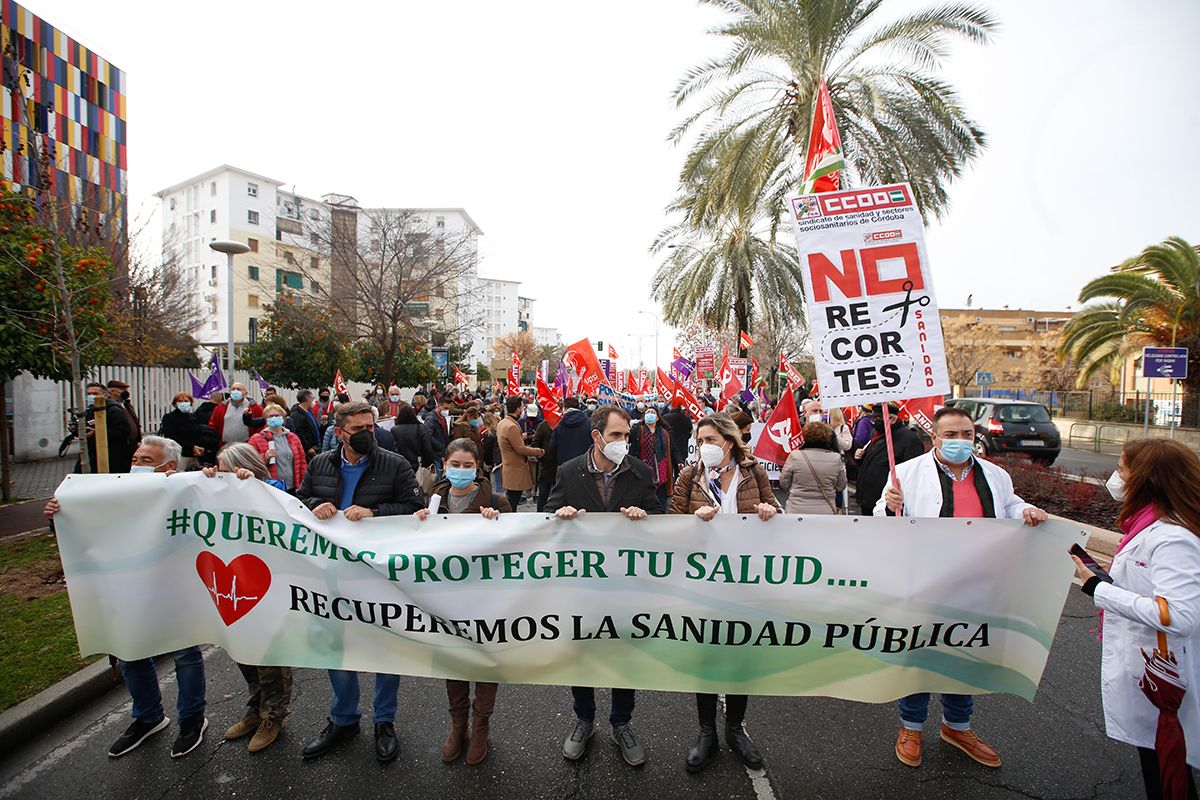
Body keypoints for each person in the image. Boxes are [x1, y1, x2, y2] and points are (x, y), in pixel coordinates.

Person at [877, 405, 1048, 770]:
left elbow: (1011, 504)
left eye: (966, 434)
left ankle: (957, 726)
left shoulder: (995, 475)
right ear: (934, 438)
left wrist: (1025, 511)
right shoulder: (905, 473)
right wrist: (889, 505)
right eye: (950, 435)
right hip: (926, 582)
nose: (959, 441)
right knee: (920, 654)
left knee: (964, 653)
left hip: (978, 582)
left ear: (975, 436)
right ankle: (911, 727)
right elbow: (880, 522)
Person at [45, 436, 208, 759]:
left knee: (185, 654)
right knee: (131, 652)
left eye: (147, 460)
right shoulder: (113, 493)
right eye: (136, 457)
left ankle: (191, 719)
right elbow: (85, 527)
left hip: (174, 588)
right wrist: (57, 516)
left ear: (170, 466)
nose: (137, 464)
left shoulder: (189, 492)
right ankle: (147, 717)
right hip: (127, 587)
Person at [1070, 438, 1200, 800]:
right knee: (1160, 759)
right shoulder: (1147, 524)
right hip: (1153, 669)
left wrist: (1098, 588)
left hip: (1165, 674)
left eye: (1123, 468)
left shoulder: (1174, 537)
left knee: (1168, 769)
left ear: (1146, 477)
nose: (1117, 476)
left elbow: (1177, 614)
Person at [296, 401, 425, 763]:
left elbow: (414, 508)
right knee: (336, 647)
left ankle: (384, 720)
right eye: (359, 430)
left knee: (386, 648)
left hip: (379, 576)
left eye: (371, 427)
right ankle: (344, 718)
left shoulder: (394, 463)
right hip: (331, 573)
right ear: (339, 433)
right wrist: (316, 502)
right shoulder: (322, 464)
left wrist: (375, 513)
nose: (368, 434)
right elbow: (299, 502)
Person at [545, 405, 660, 767]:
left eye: (627, 435)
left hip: (627, 587)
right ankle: (583, 718)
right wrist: (559, 516)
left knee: (624, 655)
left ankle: (622, 722)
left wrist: (645, 518)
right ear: (597, 437)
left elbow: (660, 519)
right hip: (582, 588)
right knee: (582, 652)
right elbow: (548, 515)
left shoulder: (640, 473)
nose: (623, 442)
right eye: (616, 436)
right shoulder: (569, 471)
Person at [669, 413, 780, 772]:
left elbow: (778, 515)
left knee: (739, 656)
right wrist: (691, 519)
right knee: (705, 656)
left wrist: (769, 511)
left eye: (712, 440)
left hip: (745, 582)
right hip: (702, 583)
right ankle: (706, 733)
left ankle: (735, 729)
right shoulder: (690, 475)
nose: (705, 447)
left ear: (729, 442)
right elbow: (669, 524)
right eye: (700, 441)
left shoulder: (754, 473)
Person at [414, 438, 511, 766]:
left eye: (468, 465)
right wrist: (416, 523)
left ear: (478, 467)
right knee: (453, 659)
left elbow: (516, 546)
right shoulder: (434, 498)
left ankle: (481, 724)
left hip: (485, 598)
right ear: (444, 464)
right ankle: (458, 725)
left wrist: (498, 520)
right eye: (454, 465)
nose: (460, 471)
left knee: (484, 659)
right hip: (446, 597)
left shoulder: (495, 500)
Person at [201, 443, 293, 752]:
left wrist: (254, 487)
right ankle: (255, 710)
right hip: (233, 587)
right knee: (243, 653)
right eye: (219, 468)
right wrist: (205, 481)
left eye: (227, 469)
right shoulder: (215, 492)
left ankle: (274, 716)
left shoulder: (273, 489)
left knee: (270, 657)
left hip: (269, 586)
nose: (222, 475)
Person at [855, 403, 923, 517]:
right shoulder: (877, 434)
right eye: (874, 419)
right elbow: (873, 461)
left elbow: (914, 472)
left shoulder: (909, 439)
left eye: (879, 418)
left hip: (888, 502)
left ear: (893, 419)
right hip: (868, 499)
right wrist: (861, 457)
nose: (876, 422)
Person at [779, 421, 847, 514]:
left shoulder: (795, 456)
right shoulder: (836, 458)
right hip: (825, 509)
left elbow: (784, 483)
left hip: (797, 508)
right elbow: (841, 485)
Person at [497, 395, 544, 510]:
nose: (523, 410)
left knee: (512, 501)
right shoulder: (511, 426)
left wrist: (519, 438)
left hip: (509, 468)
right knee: (512, 503)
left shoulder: (503, 423)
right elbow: (521, 449)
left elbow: (511, 443)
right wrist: (539, 451)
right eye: (522, 407)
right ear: (518, 409)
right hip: (515, 470)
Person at [249, 403, 308, 493]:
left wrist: (303, 484)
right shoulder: (256, 439)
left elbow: (302, 462)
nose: (274, 418)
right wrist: (265, 457)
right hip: (271, 487)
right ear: (265, 419)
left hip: (293, 486)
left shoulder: (293, 437)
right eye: (270, 416)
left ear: (283, 417)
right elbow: (250, 462)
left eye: (277, 415)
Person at [79, 381, 136, 474]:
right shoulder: (89, 411)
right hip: (93, 454)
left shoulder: (114, 409)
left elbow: (124, 430)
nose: (92, 396)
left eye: (95, 393)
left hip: (113, 455)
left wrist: (98, 432)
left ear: (105, 395)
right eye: (89, 394)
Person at [629, 405, 673, 513]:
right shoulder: (638, 430)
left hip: (661, 473)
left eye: (653, 413)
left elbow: (671, 451)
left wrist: (679, 463)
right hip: (642, 471)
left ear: (657, 418)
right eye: (648, 412)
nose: (650, 414)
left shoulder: (664, 433)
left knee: (661, 503)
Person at [158, 392, 210, 471]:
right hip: (180, 455)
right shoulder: (169, 417)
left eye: (186, 401)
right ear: (175, 404)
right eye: (180, 401)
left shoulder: (193, 417)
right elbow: (171, 437)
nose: (184, 403)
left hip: (195, 455)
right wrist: (191, 447)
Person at [208, 382, 264, 447]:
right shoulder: (221, 407)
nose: (235, 391)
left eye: (238, 389)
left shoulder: (255, 407)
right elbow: (212, 424)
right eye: (233, 389)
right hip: (225, 446)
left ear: (246, 393)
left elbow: (261, 425)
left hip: (246, 446)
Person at [549, 397, 592, 467]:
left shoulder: (559, 425)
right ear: (578, 407)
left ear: (565, 408)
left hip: (564, 466)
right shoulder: (589, 423)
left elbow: (552, 448)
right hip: (585, 465)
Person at [423, 394, 454, 479]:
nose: (447, 410)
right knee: (438, 478)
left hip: (442, 453)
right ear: (439, 406)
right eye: (445, 408)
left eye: (448, 408)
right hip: (435, 454)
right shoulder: (431, 419)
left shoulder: (442, 418)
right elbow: (427, 435)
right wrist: (439, 446)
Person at [532, 412, 557, 513]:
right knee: (543, 495)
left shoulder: (563, 425)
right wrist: (541, 456)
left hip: (561, 466)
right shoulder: (543, 426)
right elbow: (535, 443)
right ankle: (540, 516)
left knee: (558, 497)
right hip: (546, 466)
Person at [287, 389, 323, 459]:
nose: (314, 401)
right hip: (308, 450)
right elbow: (299, 432)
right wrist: (308, 447)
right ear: (307, 399)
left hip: (315, 447)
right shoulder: (296, 414)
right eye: (312, 398)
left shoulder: (309, 412)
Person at [391, 404, 427, 471]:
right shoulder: (421, 427)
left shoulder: (394, 430)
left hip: (400, 464)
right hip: (417, 462)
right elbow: (426, 446)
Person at [107, 379, 143, 444]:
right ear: (112, 391)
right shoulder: (109, 407)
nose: (126, 393)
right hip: (120, 445)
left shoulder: (127, 405)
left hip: (133, 444)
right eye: (123, 390)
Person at [661, 403, 694, 473]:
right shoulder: (686, 418)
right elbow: (690, 433)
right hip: (682, 448)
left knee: (667, 472)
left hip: (668, 448)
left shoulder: (664, 417)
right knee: (679, 472)